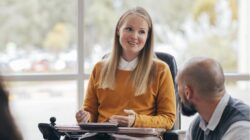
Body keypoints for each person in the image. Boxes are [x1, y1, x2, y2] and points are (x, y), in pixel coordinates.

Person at [75, 6, 176, 130]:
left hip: (141, 137)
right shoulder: (99, 68)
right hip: (103, 136)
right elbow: (90, 113)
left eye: (141, 32)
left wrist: (136, 121)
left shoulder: (161, 70)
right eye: (129, 29)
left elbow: (168, 119)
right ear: (118, 30)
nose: (134, 36)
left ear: (148, 37)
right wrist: (85, 118)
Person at [176, 57, 250, 140]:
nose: (177, 94)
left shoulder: (241, 131)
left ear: (188, 93)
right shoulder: (198, 125)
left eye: (178, 86)